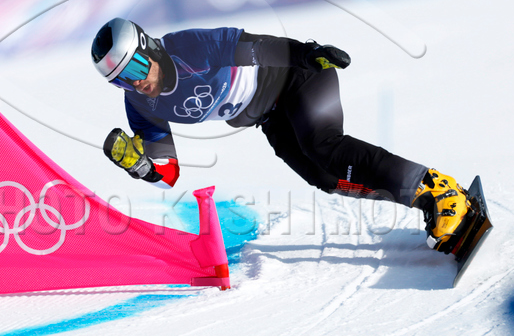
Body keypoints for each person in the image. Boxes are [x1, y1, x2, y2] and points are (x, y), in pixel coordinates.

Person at [91, 18, 472, 254]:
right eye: (120, 80)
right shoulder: (140, 104)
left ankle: (440, 190)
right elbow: (169, 172)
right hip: (270, 116)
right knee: (324, 178)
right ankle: (424, 200)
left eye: (135, 68)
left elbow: (258, 49)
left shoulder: (190, 48)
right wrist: (141, 167)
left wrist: (307, 54)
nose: (135, 83)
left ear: (149, 47)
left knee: (323, 146)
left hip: (298, 75)